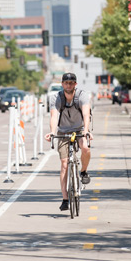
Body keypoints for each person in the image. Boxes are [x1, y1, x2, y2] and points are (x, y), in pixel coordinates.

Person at [45, 73, 93, 211]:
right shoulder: (57, 97)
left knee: (86, 148)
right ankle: (65, 199)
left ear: (75, 84)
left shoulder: (82, 96)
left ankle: (83, 172)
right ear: (62, 84)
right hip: (63, 132)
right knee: (64, 163)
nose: (68, 85)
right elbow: (54, 116)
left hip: (79, 130)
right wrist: (53, 133)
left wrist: (86, 130)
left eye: (71, 83)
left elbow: (86, 113)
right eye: (66, 83)